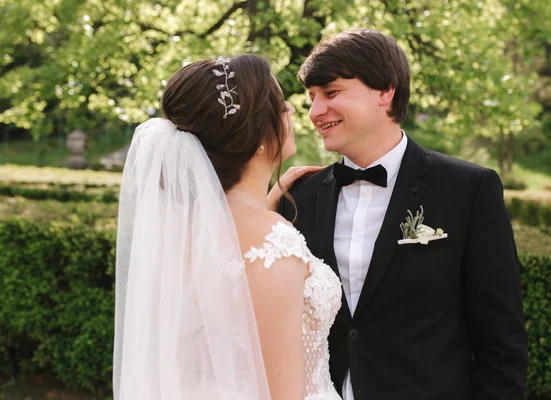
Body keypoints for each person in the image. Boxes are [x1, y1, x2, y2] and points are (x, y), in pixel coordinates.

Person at [279, 29, 528, 400]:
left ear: (385, 91)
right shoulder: (298, 196)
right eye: (312, 98)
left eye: (331, 93)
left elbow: (502, 344)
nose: (315, 112)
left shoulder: (467, 189)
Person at [113, 54, 342, 399]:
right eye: (280, 104)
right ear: (257, 134)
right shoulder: (272, 245)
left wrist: (264, 205)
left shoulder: (189, 232)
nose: (292, 111)